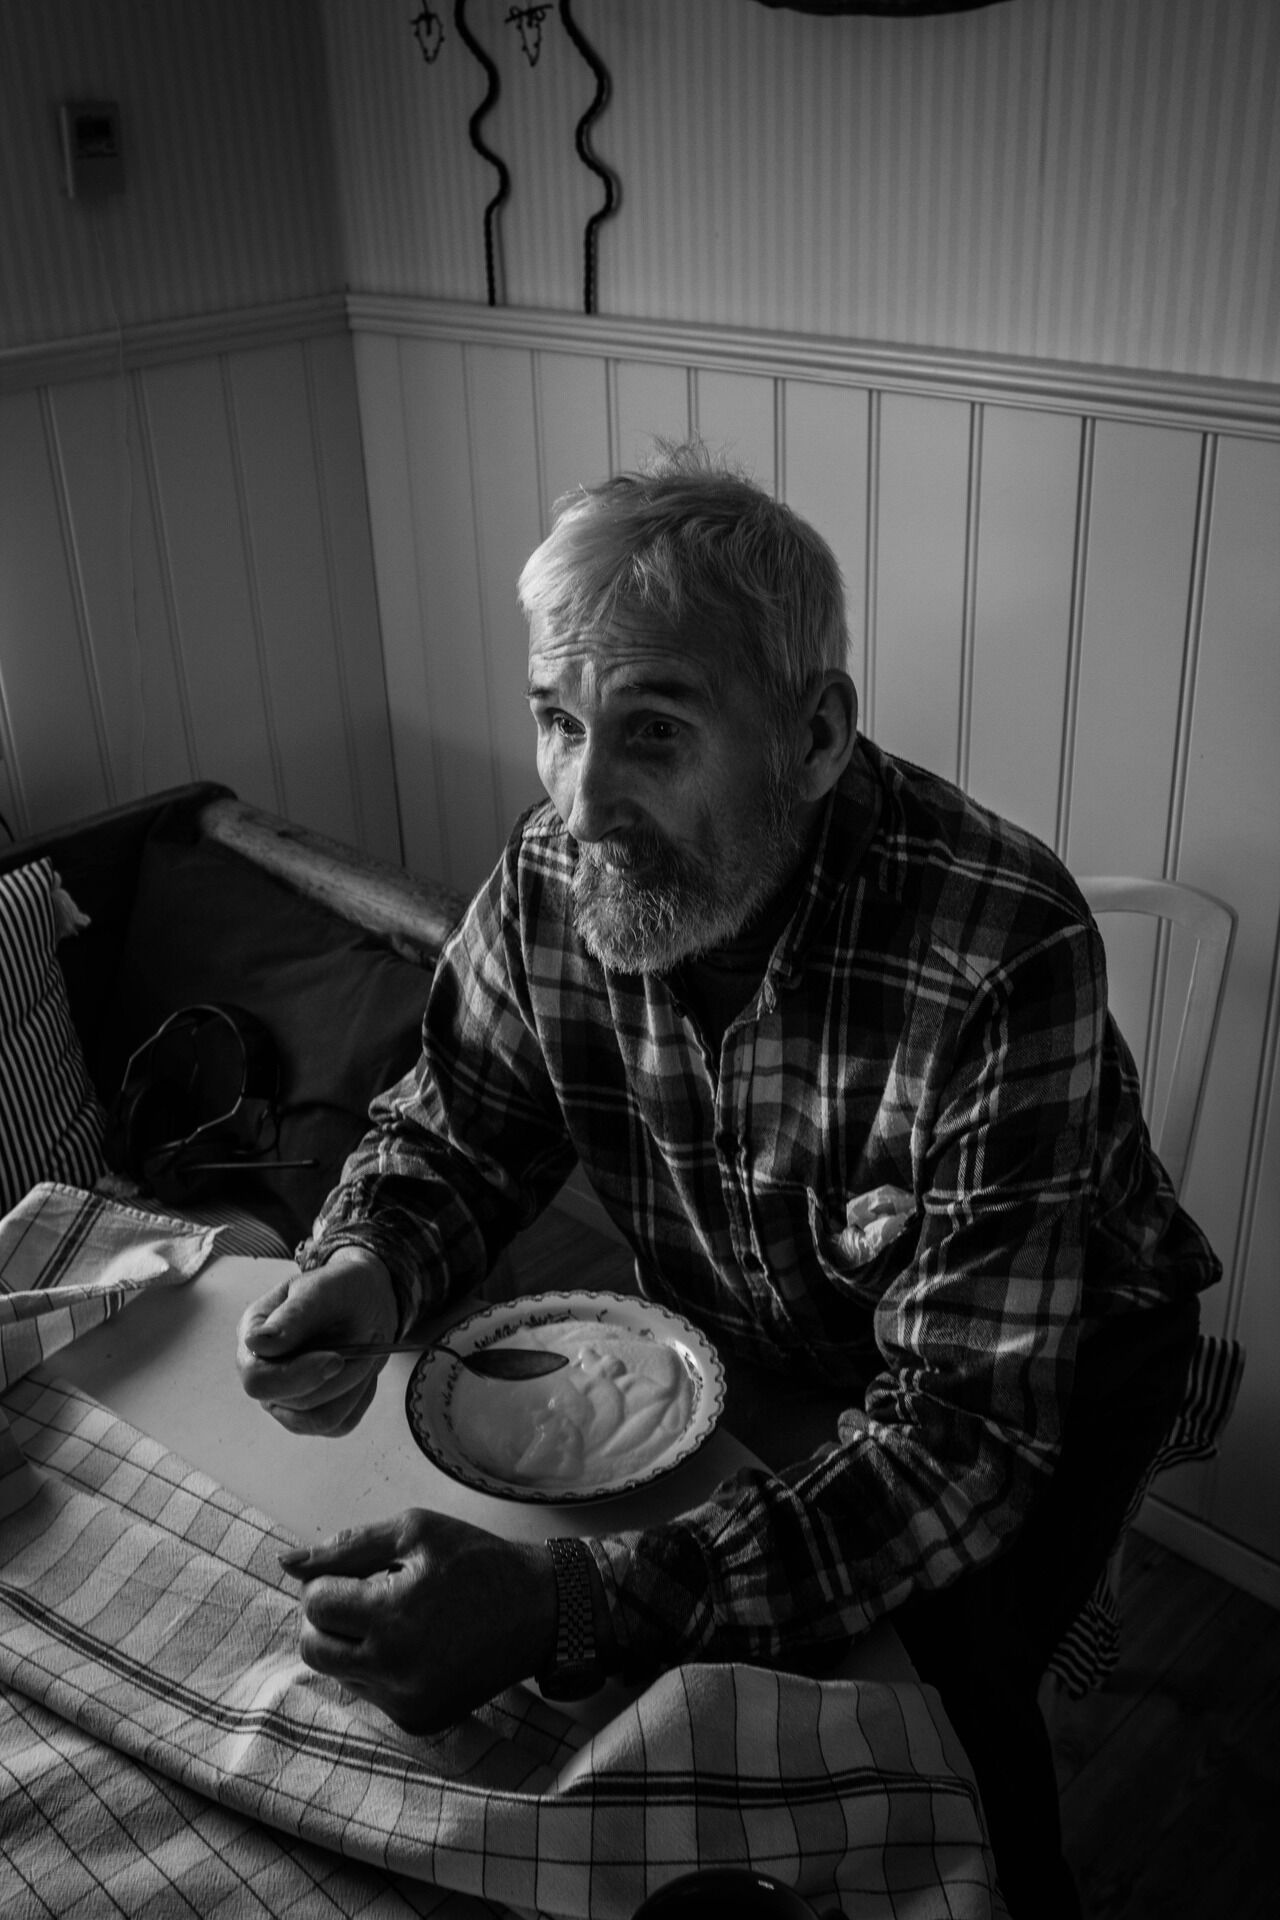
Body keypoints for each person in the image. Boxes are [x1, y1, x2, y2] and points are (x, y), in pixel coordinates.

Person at [237, 443, 1216, 1918]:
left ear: (813, 737)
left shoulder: (1004, 947)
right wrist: (369, 1264)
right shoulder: (552, 879)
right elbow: (458, 1129)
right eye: (558, 723)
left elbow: (959, 1445)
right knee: (683, 1726)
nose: (583, 802)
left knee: (939, 1719)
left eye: (654, 731)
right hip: (770, 1338)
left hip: (1052, 1374)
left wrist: (574, 1606)